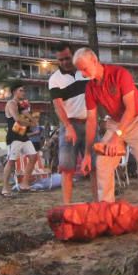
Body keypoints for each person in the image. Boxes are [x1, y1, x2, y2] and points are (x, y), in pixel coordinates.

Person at [74, 48, 138, 217]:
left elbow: (131, 109)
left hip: (137, 120)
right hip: (116, 122)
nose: (82, 74)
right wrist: (88, 154)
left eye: (84, 69)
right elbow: (91, 121)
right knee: (103, 163)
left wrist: (116, 136)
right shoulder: (90, 87)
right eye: (80, 70)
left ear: (94, 61)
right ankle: (106, 212)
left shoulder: (120, 74)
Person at [48, 43, 93, 205]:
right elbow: (58, 105)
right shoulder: (55, 79)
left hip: (90, 124)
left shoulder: (85, 72)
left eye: (67, 58)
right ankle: (67, 205)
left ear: (73, 55)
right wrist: (68, 127)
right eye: (60, 60)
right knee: (67, 168)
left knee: (95, 167)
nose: (65, 62)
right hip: (69, 125)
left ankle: (97, 204)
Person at [1, 81, 37, 197]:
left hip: (23, 136)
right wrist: (31, 123)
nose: (23, 92)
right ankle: (5, 188)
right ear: (14, 92)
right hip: (14, 137)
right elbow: (17, 119)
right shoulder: (11, 104)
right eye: (21, 90)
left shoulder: (21, 105)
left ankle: (24, 184)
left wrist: (32, 119)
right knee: (11, 162)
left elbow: (28, 115)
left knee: (33, 156)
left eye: (24, 90)